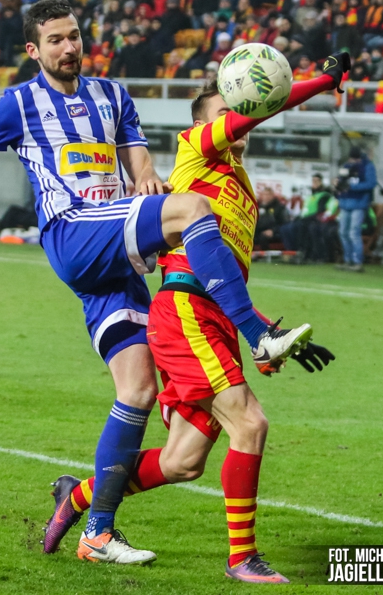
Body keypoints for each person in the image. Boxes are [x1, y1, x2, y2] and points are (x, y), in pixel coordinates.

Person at [0, 0, 319, 566]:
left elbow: (140, 164)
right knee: (193, 211)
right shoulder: (17, 103)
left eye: (74, 36)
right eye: (56, 40)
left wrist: (147, 178)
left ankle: (97, 531)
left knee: (137, 390)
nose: (69, 48)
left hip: (116, 256)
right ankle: (257, 335)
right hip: (73, 231)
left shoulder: (113, 96)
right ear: (33, 50)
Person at [40, 67, 346, 583]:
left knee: (183, 461)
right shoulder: (195, 151)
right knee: (250, 423)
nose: (239, 117)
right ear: (205, 124)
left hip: (214, 316)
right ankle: (242, 559)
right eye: (227, 111)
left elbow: (224, 277)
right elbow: (255, 110)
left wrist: (263, 326)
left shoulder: (242, 189)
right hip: (185, 313)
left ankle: (79, 495)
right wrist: (321, 81)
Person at [335, 146, 376, 272]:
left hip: (359, 204)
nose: (352, 160)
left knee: (354, 233)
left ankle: (357, 262)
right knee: (343, 232)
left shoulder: (368, 166)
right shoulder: (346, 166)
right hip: (345, 203)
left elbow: (371, 183)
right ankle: (348, 260)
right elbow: (341, 181)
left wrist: (351, 186)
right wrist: (337, 184)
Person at [282, 173, 335, 262]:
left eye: (317, 181)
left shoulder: (324, 195)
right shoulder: (310, 196)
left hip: (317, 219)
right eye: (313, 181)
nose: (315, 183)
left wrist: (306, 218)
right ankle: (293, 251)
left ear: (321, 182)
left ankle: (306, 253)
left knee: (304, 227)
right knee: (286, 228)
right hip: (307, 218)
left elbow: (321, 211)